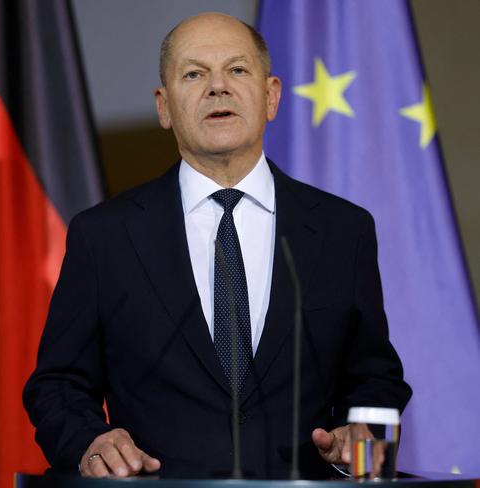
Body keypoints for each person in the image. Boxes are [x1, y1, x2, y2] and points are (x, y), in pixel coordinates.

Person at [23, 12, 411, 479]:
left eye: (238, 70)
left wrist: (363, 440)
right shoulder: (105, 235)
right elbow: (58, 384)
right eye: (194, 74)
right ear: (164, 106)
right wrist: (90, 441)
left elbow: (375, 377)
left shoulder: (342, 230)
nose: (218, 88)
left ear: (271, 96)